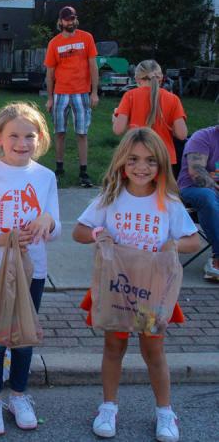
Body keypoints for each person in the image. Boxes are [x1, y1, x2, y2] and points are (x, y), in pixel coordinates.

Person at [72, 127, 200, 442]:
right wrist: (96, 235)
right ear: (121, 162)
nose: (141, 167)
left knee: (153, 350)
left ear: (160, 164)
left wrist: (170, 245)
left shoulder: (167, 201)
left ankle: (165, 412)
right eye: (133, 159)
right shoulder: (110, 197)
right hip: (117, 289)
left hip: (150, 292)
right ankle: (108, 407)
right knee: (113, 346)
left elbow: (193, 240)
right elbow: (78, 231)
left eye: (149, 161)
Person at [0, 103, 61, 435]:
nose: (21, 143)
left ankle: (19, 396)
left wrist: (46, 222)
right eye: (14, 136)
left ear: (40, 139)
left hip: (32, 269)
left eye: (29, 136)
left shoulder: (45, 177)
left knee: (23, 334)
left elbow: (56, 226)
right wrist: (1, 239)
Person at [44, 5, 99, 187]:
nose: (70, 22)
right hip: (60, 94)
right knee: (59, 132)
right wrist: (50, 97)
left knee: (82, 133)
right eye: (67, 19)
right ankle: (59, 169)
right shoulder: (54, 43)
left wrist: (94, 92)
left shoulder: (87, 38)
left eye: (73, 18)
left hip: (82, 93)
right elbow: (50, 73)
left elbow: (93, 66)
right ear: (61, 21)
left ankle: (84, 172)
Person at [113, 59, 187, 178]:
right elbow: (182, 135)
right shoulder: (173, 99)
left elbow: (118, 130)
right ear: (161, 77)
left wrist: (115, 118)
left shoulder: (130, 96)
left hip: (135, 158)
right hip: (164, 157)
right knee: (162, 196)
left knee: (136, 194)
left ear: (137, 79)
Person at [177, 124, 219, 280]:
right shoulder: (203, 137)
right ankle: (217, 259)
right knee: (207, 196)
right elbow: (196, 174)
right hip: (192, 189)